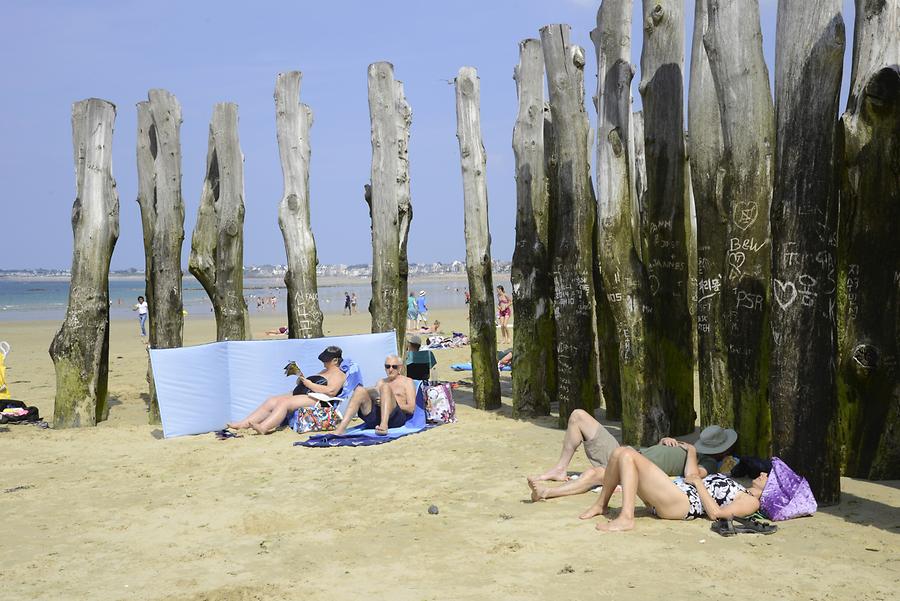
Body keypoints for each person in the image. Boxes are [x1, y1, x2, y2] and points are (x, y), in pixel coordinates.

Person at [528, 417, 734, 502]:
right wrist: (665, 440)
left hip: (631, 467)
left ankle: (547, 493)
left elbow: (693, 477)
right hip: (625, 452)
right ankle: (560, 469)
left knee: (594, 474)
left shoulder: (707, 463)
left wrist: (689, 452)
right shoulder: (693, 448)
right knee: (578, 416)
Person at [581, 441, 767, 532]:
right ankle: (601, 504)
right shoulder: (740, 487)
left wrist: (698, 483)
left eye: (768, 477)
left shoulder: (752, 502)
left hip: (683, 504)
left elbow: (717, 514)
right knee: (618, 452)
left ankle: (627, 518)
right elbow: (691, 475)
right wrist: (691, 452)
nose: (763, 474)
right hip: (677, 493)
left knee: (628, 455)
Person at [227, 346, 347, 435]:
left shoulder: (339, 374)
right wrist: (302, 380)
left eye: (327, 360)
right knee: (272, 400)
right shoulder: (324, 371)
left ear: (335, 360)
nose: (324, 362)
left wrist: (310, 384)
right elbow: (316, 382)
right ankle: (243, 424)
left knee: (284, 403)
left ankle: (264, 427)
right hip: (306, 393)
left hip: (319, 400)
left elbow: (331, 391)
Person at [333, 354, 417, 435]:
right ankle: (341, 429)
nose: (390, 369)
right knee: (360, 390)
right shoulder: (381, 381)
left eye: (394, 367)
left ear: (400, 368)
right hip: (376, 417)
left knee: (385, 387)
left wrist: (386, 403)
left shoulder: (407, 382)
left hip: (395, 418)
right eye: (387, 366)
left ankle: (384, 426)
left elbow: (411, 408)